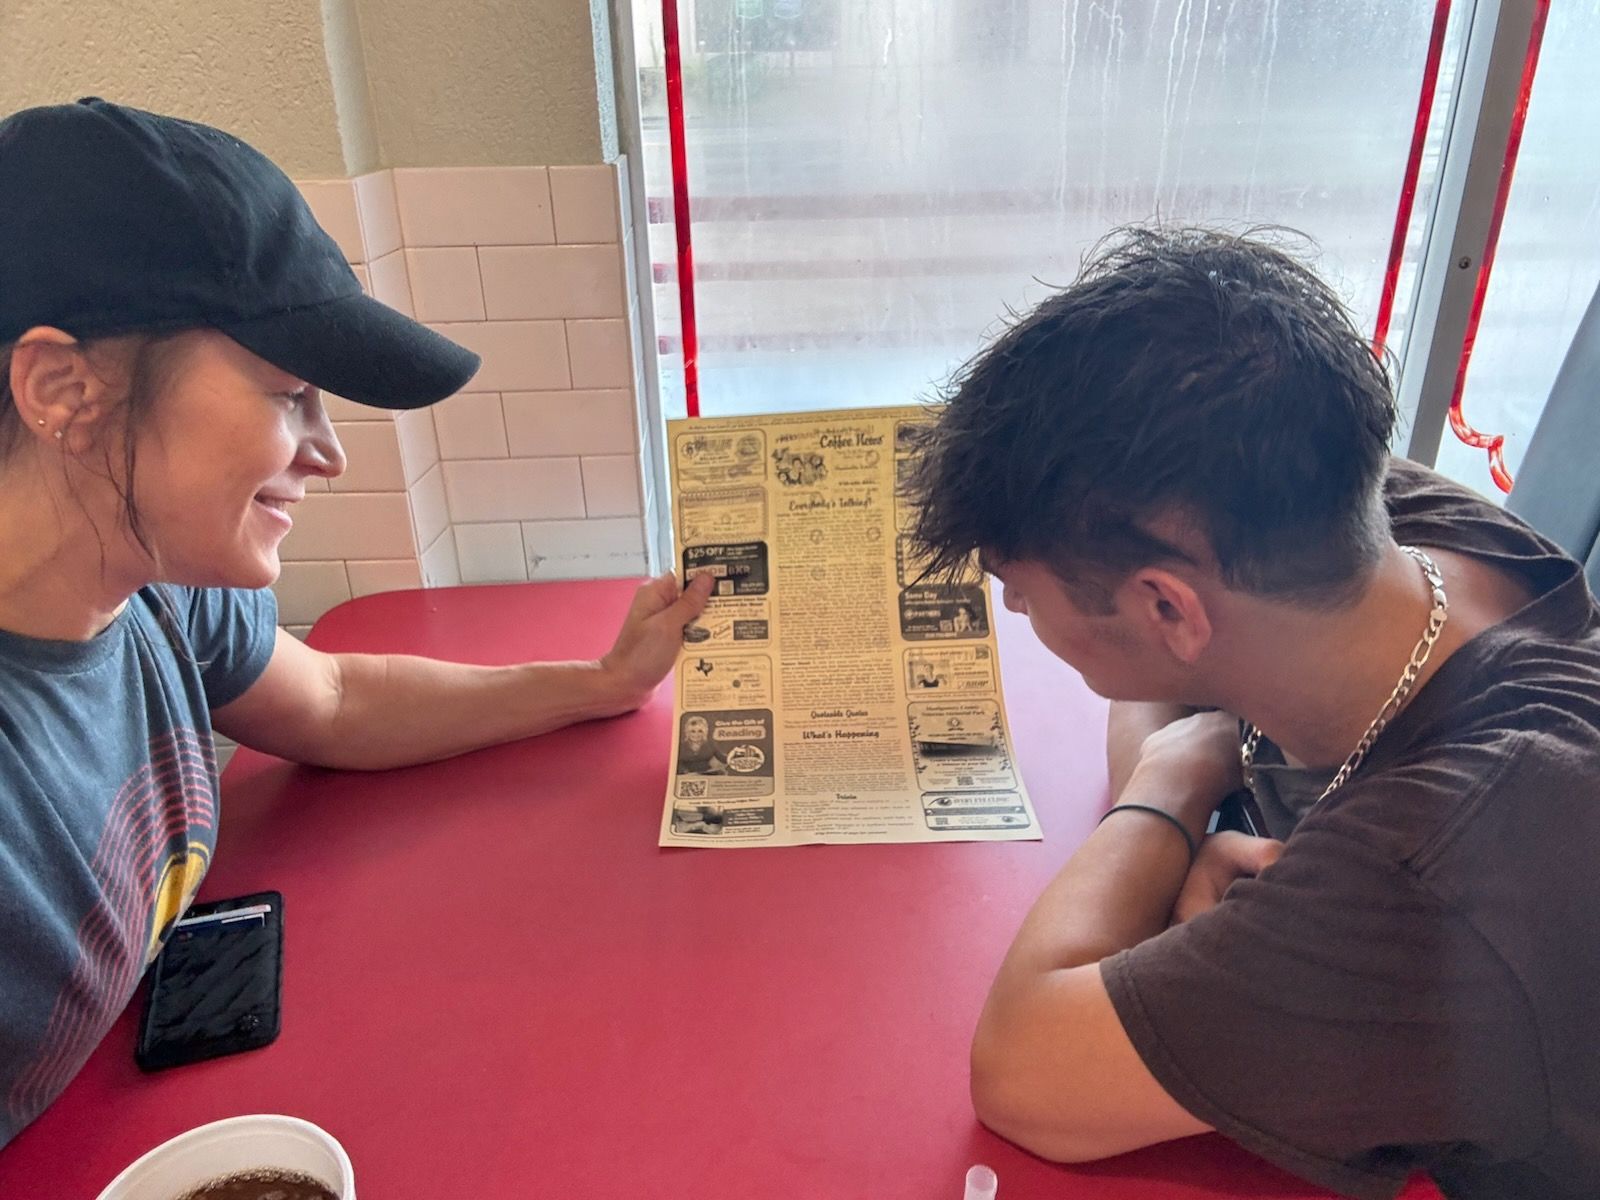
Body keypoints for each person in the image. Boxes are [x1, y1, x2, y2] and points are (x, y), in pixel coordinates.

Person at [0, 98, 713, 1148]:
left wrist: (601, 684)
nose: (328, 453)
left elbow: (332, 700)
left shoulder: (154, 578)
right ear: (64, 390)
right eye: (289, 395)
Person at [904, 226, 1600, 1199]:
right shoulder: (1388, 527)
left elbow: (1024, 1071)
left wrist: (1172, 781)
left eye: (1018, 591)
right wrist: (1209, 832)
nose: (1016, 611)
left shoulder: (1431, 876)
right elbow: (1163, 684)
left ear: (1166, 609)